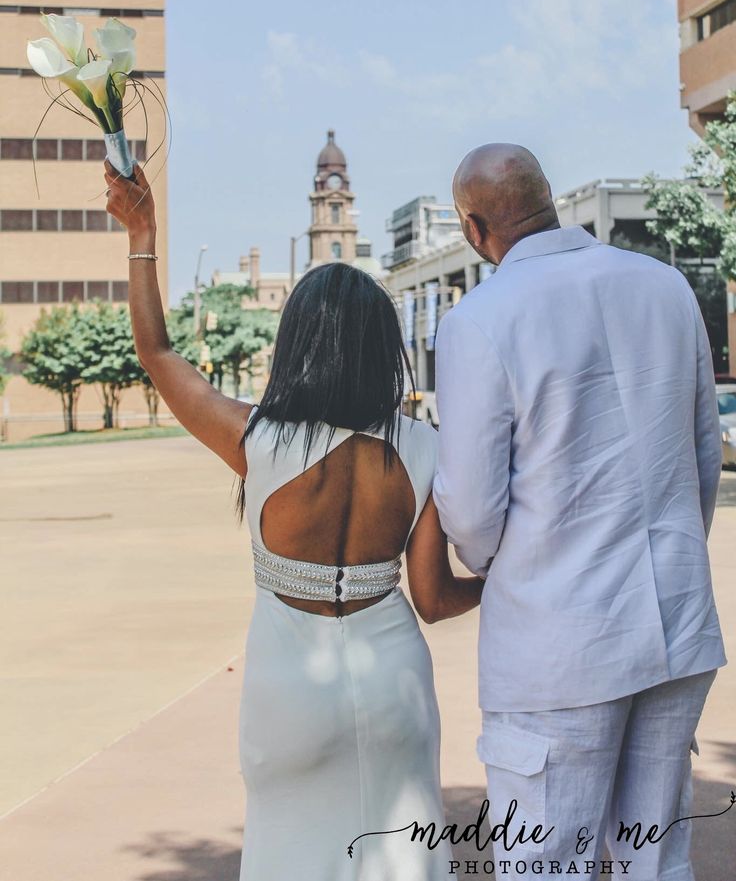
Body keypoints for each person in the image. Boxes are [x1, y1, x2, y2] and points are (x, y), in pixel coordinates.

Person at [103, 158, 484, 881]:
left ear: (297, 343)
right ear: (382, 347)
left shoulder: (259, 441)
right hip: (394, 682)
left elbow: (155, 352)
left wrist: (142, 233)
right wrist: (498, 583)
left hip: (289, 693)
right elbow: (434, 599)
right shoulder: (425, 448)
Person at [433, 143, 727, 880]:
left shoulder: (481, 318)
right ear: (550, 198)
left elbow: (469, 514)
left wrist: (513, 567)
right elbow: (699, 463)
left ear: (475, 229)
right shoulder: (664, 288)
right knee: (654, 863)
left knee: (546, 865)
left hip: (557, 647)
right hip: (673, 624)